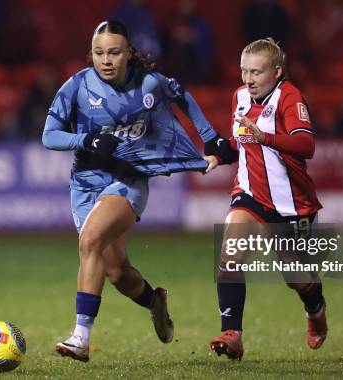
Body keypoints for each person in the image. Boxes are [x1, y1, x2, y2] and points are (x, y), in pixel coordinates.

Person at [42, 20, 223, 362]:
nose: (106, 60)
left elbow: (181, 95)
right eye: (98, 53)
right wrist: (86, 139)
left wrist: (210, 137)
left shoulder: (148, 83)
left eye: (113, 52)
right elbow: (49, 135)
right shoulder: (77, 86)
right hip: (85, 185)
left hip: (128, 179)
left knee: (90, 240)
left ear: (128, 53)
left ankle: (80, 337)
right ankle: (156, 304)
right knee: (118, 275)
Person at [204, 38, 327, 361]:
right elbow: (239, 142)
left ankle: (315, 308)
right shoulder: (240, 97)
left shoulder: (290, 97)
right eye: (244, 71)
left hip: (292, 205)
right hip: (250, 196)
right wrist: (221, 155)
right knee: (230, 254)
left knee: (296, 278)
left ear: (277, 71)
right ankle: (233, 334)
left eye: (256, 72)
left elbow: (306, 145)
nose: (248, 79)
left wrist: (265, 137)